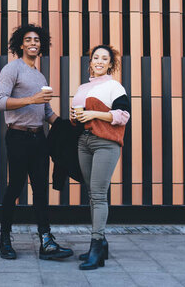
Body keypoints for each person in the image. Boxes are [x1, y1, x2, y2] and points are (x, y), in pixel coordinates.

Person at [0, 24, 73, 261]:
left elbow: (46, 111)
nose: (33, 43)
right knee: (15, 188)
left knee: (40, 189)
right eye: (28, 39)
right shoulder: (11, 69)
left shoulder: (40, 75)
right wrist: (32, 98)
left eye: (37, 40)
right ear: (20, 44)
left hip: (40, 138)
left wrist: (68, 124)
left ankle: (46, 242)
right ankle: (5, 240)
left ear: (41, 45)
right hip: (18, 137)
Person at [70, 44, 130, 270]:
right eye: (96, 57)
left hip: (106, 143)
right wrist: (75, 116)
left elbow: (123, 115)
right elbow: (79, 117)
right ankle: (101, 244)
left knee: (98, 194)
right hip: (84, 142)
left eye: (104, 58)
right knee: (92, 194)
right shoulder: (83, 87)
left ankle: (96, 245)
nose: (99, 61)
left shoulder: (115, 87)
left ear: (110, 64)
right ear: (90, 62)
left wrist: (93, 113)